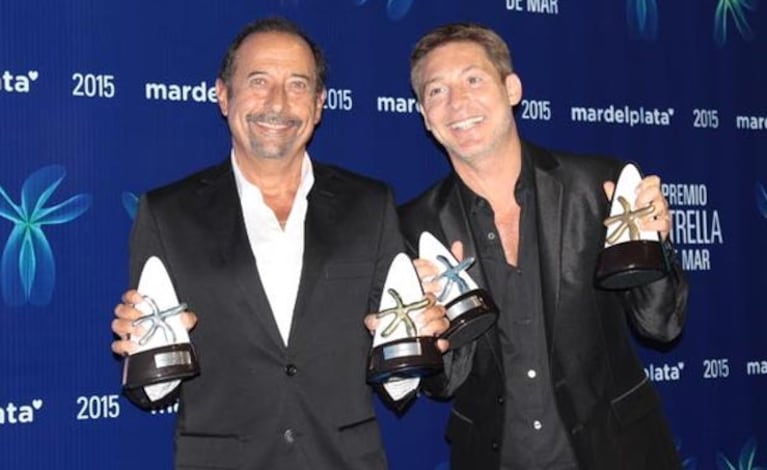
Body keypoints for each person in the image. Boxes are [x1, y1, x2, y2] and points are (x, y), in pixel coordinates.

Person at [110, 17, 447, 470]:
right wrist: (138, 346)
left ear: (320, 104)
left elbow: (397, 375)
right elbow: (154, 387)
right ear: (223, 95)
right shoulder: (167, 213)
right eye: (258, 81)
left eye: (297, 84)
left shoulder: (370, 204)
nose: (277, 103)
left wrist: (422, 336)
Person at [397, 22, 689, 469]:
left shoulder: (597, 187)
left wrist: (657, 245)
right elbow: (444, 384)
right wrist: (430, 329)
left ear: (512, 89)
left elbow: (661, 326)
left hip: (620, 453)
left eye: (473, 79)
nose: (457, 102)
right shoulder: (414, 225)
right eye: (436, 91)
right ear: (424, 116)